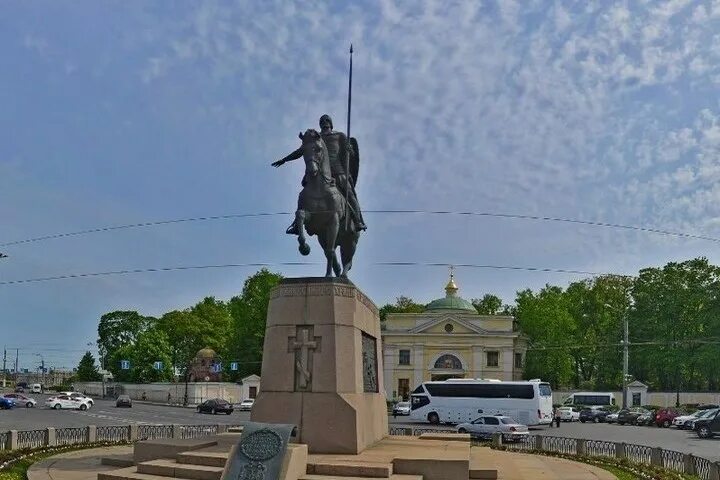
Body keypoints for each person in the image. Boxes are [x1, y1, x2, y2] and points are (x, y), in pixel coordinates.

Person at [273, 114, 366, 232]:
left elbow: (351, 154)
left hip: (338, 172)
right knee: (304, 194)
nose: (325, 122)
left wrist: (349, 149)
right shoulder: (316, 138)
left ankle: (358, 221)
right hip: (318, 173)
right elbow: (300, 151)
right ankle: (297, 224)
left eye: (327, 120)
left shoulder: (339, 136)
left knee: (350, 194)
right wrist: (284, 160)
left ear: (331, 123)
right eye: (322, 120)